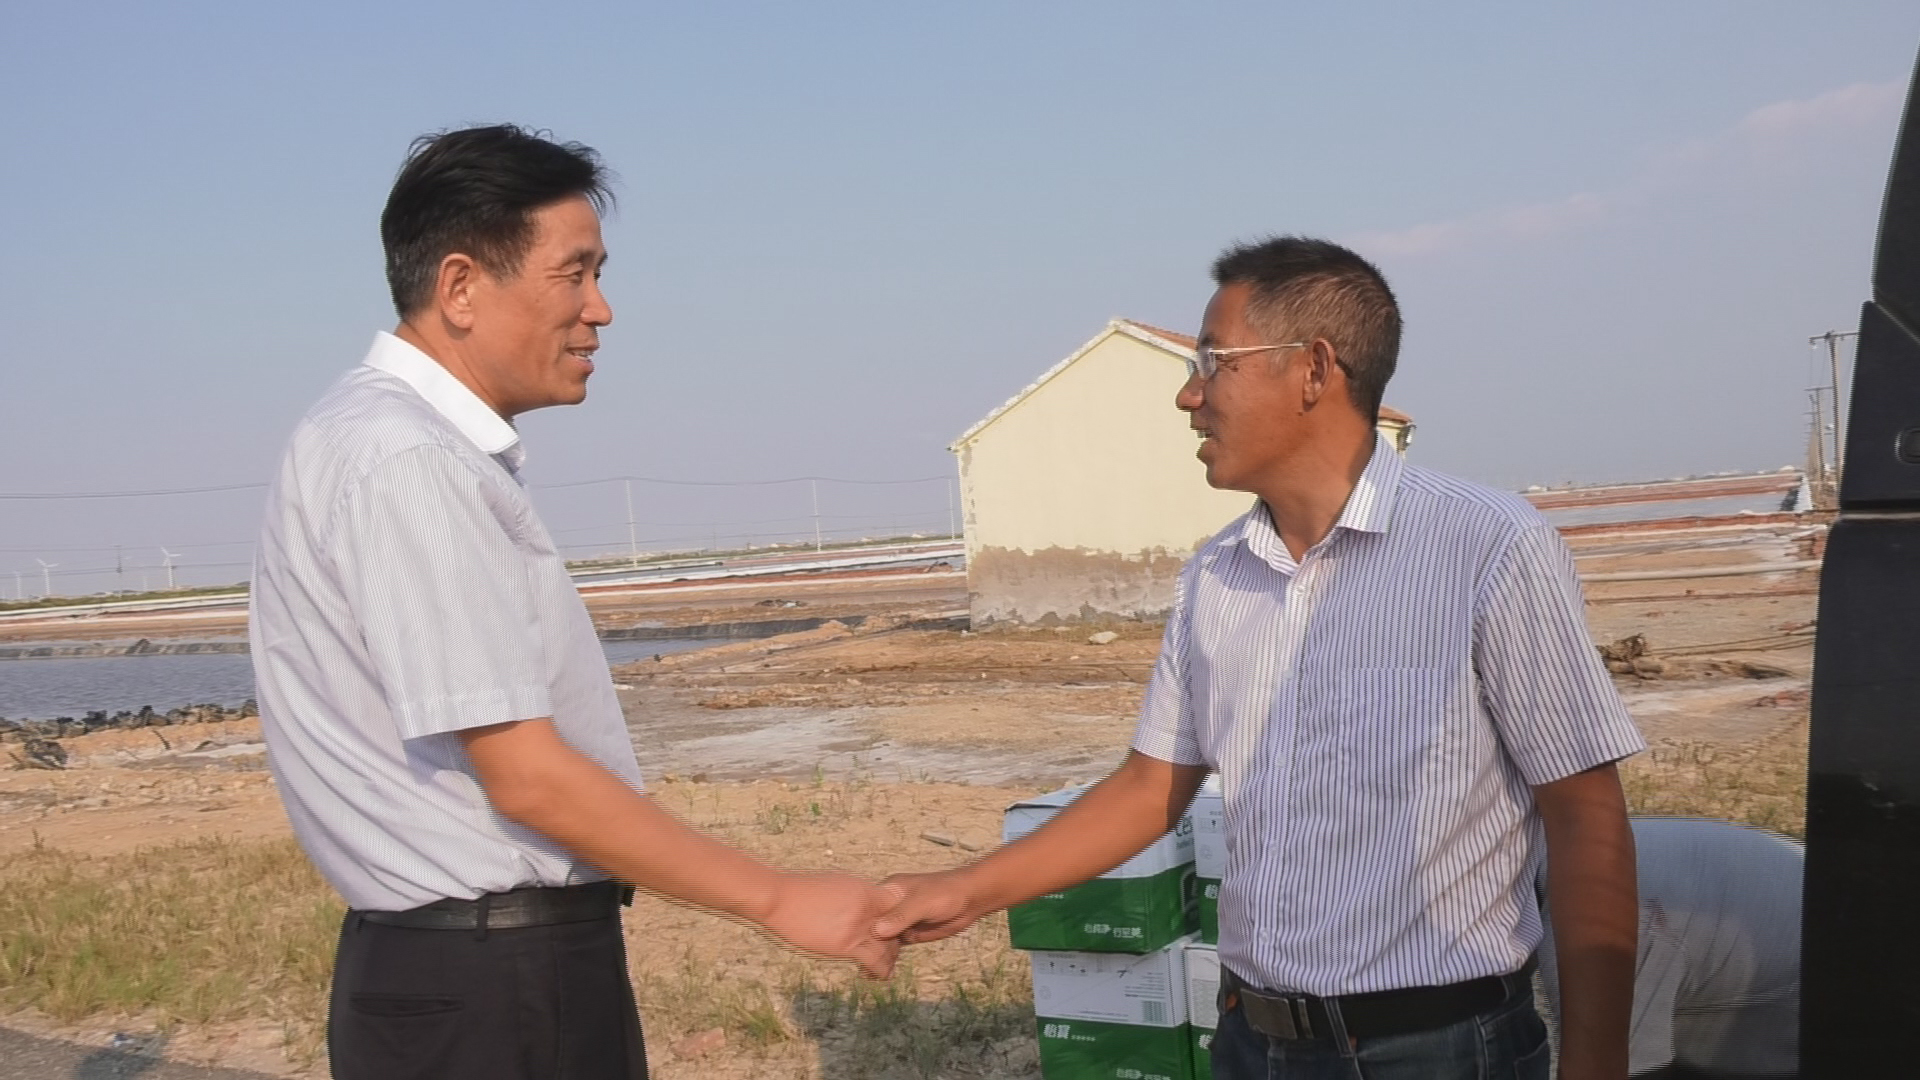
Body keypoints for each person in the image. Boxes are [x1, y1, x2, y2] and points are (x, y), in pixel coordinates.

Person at [877, 236, 1647, 1080]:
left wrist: (1596, 1063)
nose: (1189, 395)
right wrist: (967, 889)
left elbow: (1584, 814)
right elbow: (1150, 787)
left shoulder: (1487, 547)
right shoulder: (1215, 576)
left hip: (1435, 1048)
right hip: (1253, 1040)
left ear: (1313, 370)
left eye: (1214, 362)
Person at [249, 125, 897, 1080]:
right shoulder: (407, 459)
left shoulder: (385, 441)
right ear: (461, 287)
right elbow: (528, 777)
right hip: (488, 985)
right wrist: (775, 896)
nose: (601, 309)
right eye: (574, 274)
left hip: (473, 972)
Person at [1538, 817, 1802, 1079]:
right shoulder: (1566, 847)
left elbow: (1612, 1071)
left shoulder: (1591, 927)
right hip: (1790, 918)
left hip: (1801, 995)